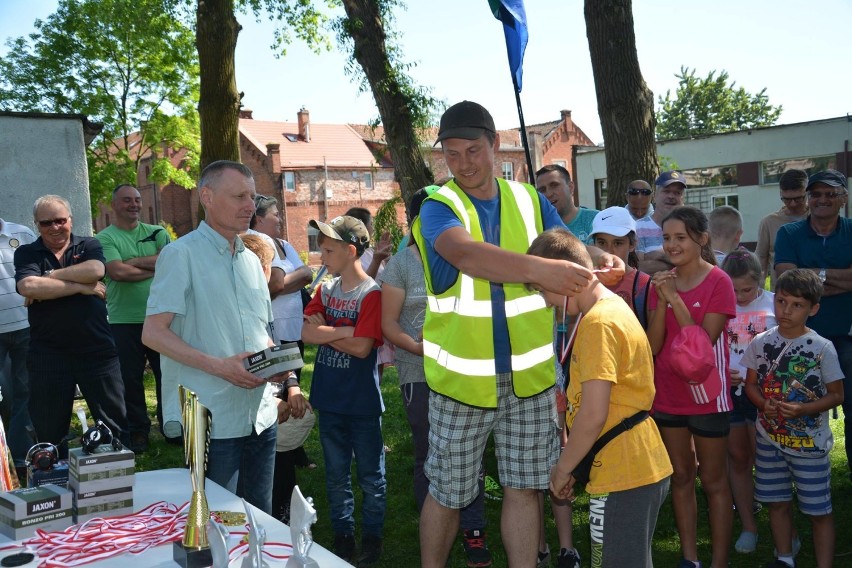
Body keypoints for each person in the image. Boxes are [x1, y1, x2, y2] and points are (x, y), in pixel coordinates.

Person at [412, 100, 622, 568]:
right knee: (449, 492)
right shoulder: (437, 207)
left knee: (525, 488)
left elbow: (562, 241)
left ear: (494, 146)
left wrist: (595, 256)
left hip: (531, 379)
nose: (464, 163)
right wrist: (545, 269)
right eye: (452, 153)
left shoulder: (530, 199)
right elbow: (467, 256)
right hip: (462, 385)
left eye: (473, 150)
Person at [143, 160, 290, 515]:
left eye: (252, 197)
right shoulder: (181, 255)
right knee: (218, 523)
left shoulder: (252, 260)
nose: (249, 206)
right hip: (212, 416)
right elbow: (153, 333)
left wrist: (279, 367)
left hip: (261, 414)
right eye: (239, 195)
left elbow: (261, 333)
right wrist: (219, 367)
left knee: (261, 519)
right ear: (206, 196)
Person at [529, 228, 672, 568]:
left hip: (626, 471)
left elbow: (594, 414)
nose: (546, 300)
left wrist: (562, 470)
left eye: (541, 288)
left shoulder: (598, 324)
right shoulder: (613, 308)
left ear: (567, 276)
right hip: (629, 464)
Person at [381, 186, 493, 567]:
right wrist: (421, 347)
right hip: (420, 373)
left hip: (466, 371)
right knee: (429, 453)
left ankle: (473, 532)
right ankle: (434, 528)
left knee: (471, 452)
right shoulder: (400, 264)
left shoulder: (467, 257)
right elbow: (388, 325)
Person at [647, 206, 736, 568]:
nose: (672, 245)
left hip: (706, 396)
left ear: (701, 239)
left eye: (680, 237)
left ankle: (718, 561)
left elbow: (701, 345)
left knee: (713, 481)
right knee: (682, 476)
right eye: (667, 238)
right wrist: (662, 300)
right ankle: (690, 558)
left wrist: (674, 300)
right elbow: (653, 345)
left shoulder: (719, 282)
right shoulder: (662, 282)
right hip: (668, 393)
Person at [742, 268, 844, 568]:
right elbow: (750, 384)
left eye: (797, 305)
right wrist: (763, 403)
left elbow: (837, 395)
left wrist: (803, 410)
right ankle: (785, 558)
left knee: (817, 510)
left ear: (813, 309)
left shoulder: (823, 348)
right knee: (776, 502)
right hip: (769, 439)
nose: (786, 311)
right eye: (782, 301)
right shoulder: (759, 341)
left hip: (808, 445)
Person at [14, 195, 128, 455]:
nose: (55, 227)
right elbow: (28, 286)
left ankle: (115, 483)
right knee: (49, 432)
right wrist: (81, 287)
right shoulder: (27, 252)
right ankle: (57, 487)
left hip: (97, 351)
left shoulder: (89, 244)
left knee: (114, 424)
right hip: (48, 355)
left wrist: (50, 276)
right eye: (46, 223)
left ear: (70, 220)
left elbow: (96, 270)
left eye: (60, 220)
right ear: (36, 225)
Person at [302, 215, 386, 566]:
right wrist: (346, 331)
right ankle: (343, 535)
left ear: (351, 251)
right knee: (335, 475)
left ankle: (371, 537)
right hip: (330, 400)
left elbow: (364, 348)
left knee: (371, 476)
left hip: (362, 404)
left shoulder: (372, 294)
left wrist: (330, 331)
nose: (322, 257)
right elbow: (307, 335)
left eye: (328, 250)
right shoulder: (325, 289)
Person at [773, 169, 852, 479]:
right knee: (790, 407)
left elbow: (800, 281)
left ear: (843, 199)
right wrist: (839, 277)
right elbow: (786, 280)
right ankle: (793, 476)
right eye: (816, 194)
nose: (822, 200)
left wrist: (812, 276)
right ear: (808, 199)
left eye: (830, 194)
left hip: (846, 338)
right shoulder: (789, 233)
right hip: (798, 339)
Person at [96, 184, 171, 453]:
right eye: (127, 200)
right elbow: (117, 273)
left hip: (162, 317)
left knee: (168, 376)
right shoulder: (104, 238)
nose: (134, 205)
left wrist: (135, 260)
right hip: (123, 320)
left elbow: (171, 264)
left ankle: (171, 426)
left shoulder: (157, 232)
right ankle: (138, 431)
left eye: (137, 200)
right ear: (114, 204)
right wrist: (154, 265)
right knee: (130, 379)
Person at [250, 194, 316, 487]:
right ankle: (277, 451)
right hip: (269, 331)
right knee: (275, 391)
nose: (280, 218)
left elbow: (307, 273)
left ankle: (291, 445)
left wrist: (289, 281)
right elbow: (274, 285)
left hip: (292, 328)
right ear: (259, 218)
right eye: (275, 214)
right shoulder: (255, 242)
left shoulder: (284, 245)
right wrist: (293, 279)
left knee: (293, 386)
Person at [720, 248, 776, 554]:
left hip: (764, 396)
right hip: (729, 394)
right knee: (738, 459)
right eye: (734, 289)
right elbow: (707, 345)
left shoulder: (774, 304)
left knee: (767, 462)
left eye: (747, 289)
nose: (740, 296)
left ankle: (783, 526)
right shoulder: (720, 305)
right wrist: (720, 372)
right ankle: (749, 526)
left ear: (761, 281)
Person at [0, 215, 35, 467]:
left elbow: (42, 269)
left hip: (26, 326)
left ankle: (20, 455)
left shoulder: (21, 234)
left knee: (25, 390)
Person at [591, 206, 651, 329]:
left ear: (632, 244)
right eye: (602, 243)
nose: (609, 251)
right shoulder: (586, 280)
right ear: (593, 244)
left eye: (618, 243)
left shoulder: (644, 284)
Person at [755, 169, 808, 287]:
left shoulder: (818, 219)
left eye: (798, 198)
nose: (793, 204)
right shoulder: (768, 222)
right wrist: (759, 289)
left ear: (807, 193)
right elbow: (761, 258)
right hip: (780, 293)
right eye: (787, 199)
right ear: (780, 194)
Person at [637, 170, 687, 274]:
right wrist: (678, 261)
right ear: (654, 196)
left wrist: (655, 255)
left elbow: (694, 263)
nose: (671, 196)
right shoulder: (638, 227)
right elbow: (638, 267)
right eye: (666, 191)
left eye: (677, 193)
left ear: (683, 199)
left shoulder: (690, 228)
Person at [535, 164, 598, 243]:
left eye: (554, 185)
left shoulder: (596, 220)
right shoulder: (537, 227)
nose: (548, 194)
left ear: (570, 187)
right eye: (542, 190)